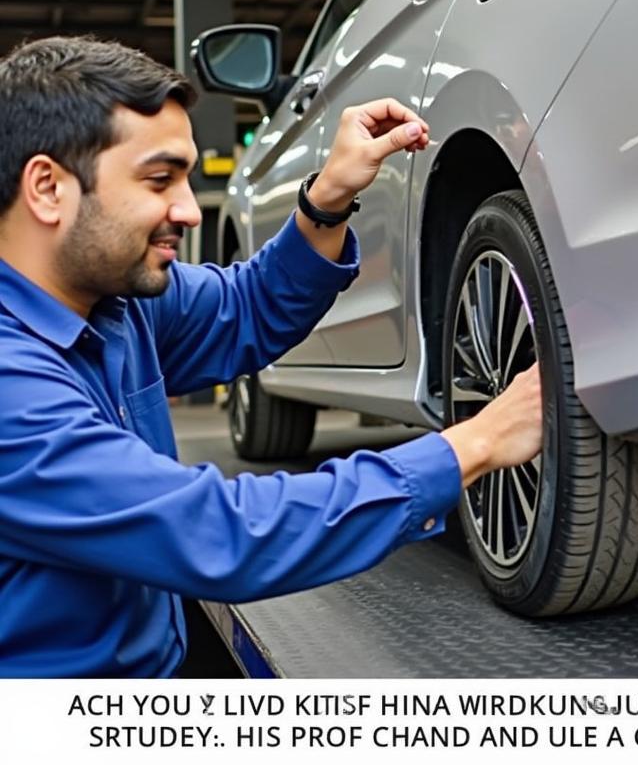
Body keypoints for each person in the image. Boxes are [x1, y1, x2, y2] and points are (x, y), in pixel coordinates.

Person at [0, 35, 543, 678]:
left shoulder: (114, 303)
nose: (186, 210)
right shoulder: (13, 388)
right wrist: (476, 443)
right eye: (159, 179)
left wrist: (327, 199)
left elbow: (248, 307)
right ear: (47, 188)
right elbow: (224, 537)